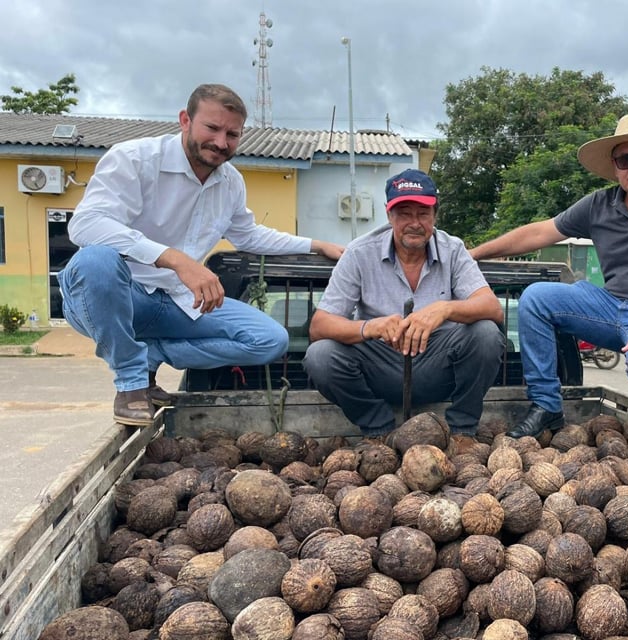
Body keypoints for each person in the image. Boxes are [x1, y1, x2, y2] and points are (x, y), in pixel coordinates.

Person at [59, 83, 343, 427]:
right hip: (121, 297)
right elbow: (86, 225)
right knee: (95, 261)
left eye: (232, 134)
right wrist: (176, 260)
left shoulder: (230, 182)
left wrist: (316, 245)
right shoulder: (134, 159)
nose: (221, 142)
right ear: (185, 120)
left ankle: (150, 355)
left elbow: (248, 235)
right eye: (212, 128)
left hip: (175, 301)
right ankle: (131, 382)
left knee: (270, 340)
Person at [469, 112, 628, 438]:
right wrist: (472, 254)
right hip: (608, 306)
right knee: (536, 298)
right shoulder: (599, 204)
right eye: (625, 159)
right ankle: (546, 404)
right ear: (615, 166)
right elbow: (540, 232)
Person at [302, 169, 505, 436]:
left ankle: (462, 432)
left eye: (423, 213)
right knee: (320, 356)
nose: (415, 223)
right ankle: (379, 430)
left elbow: (492, 308)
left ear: (435, 216)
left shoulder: (453, 249)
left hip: (438, 364)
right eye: (405, 214)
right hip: (380, 365)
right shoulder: (359, 253)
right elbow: (319, 326)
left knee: (486, 334)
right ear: (389, 215)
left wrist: (445, 309)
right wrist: (369, 327)